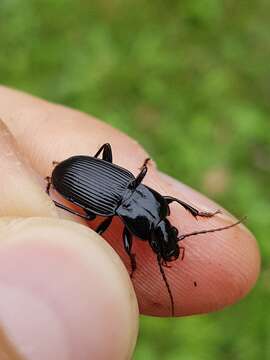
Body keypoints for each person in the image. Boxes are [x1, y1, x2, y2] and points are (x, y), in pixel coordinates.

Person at [0, 86, 260, 360]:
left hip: (83, 170)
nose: (168, 235)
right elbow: (137, 234)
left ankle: (56, 189)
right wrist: (134, 264)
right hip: (71, 176)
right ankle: (53, 196)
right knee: (90, 218)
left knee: (94, 211)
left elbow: (160, 204)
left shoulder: (143, 196)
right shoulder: (136, 209)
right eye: (169, 231)